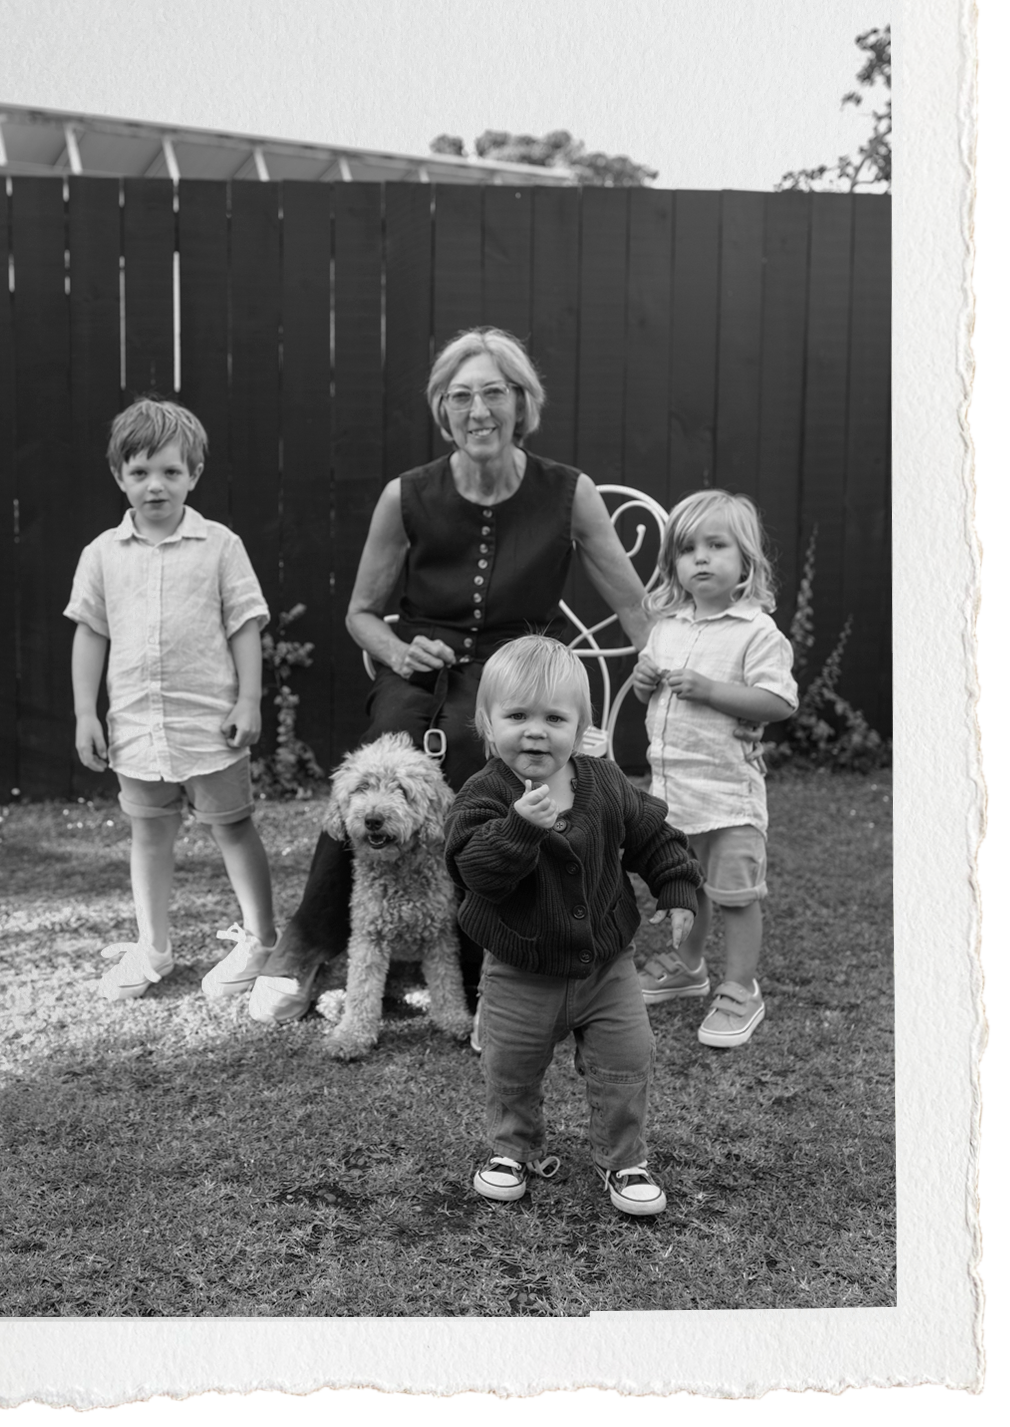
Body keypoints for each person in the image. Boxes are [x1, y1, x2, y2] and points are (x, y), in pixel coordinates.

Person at [248, 327, 656, 1025]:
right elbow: (361, 613)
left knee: (481, 746)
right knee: (384, 752)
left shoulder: (570, 491)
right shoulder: (405, 495)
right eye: (460, 396)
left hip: (520, 670)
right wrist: (398, 650)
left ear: (521, 402)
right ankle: (308, 945)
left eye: (493, 393)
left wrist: (665, 669)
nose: (478, 410)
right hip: (421, 666)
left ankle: (478, 959)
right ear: (442, 409)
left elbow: (634, 606)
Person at [444, 635, 701, 1214]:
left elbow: (652, 834)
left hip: (607, 966)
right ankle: (513, 1149)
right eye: (517, 716)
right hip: (520, 967)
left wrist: (676, 884)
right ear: (487, 723)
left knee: (628, 1059)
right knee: (510, 1065)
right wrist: (518, 828)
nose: (535, 732)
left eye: (554, 718)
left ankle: (623, 1159)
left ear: (581, 727)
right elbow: (474, 872)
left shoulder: (603, 782)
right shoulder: (483, 794)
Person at [65, 396, 277, 1002]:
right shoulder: (102, 554)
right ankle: (154, 946)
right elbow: (91, 633)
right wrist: (85, 714)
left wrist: (249, 701)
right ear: (119, 476)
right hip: (136, 726)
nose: (154, 485)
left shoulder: (220, 545)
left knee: (232, 828)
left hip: (210, 725)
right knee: (149, 834)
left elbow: (244, 624)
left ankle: (262, 940)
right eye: (140, 472)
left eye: (170, 471)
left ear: (194, 474)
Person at [631, 489, 798, 1048]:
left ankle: (741, 988)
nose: (700, 558)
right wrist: (642, 683)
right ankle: (688, 967)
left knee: (736, 895)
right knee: (686, 889)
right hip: (675, 794)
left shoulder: (756, 631)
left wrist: (710, 690)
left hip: (728, 797)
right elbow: (650, 696)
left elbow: (778, 701)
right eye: (687, 549)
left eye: (716, 546)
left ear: (745, 560)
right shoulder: (667, 628)